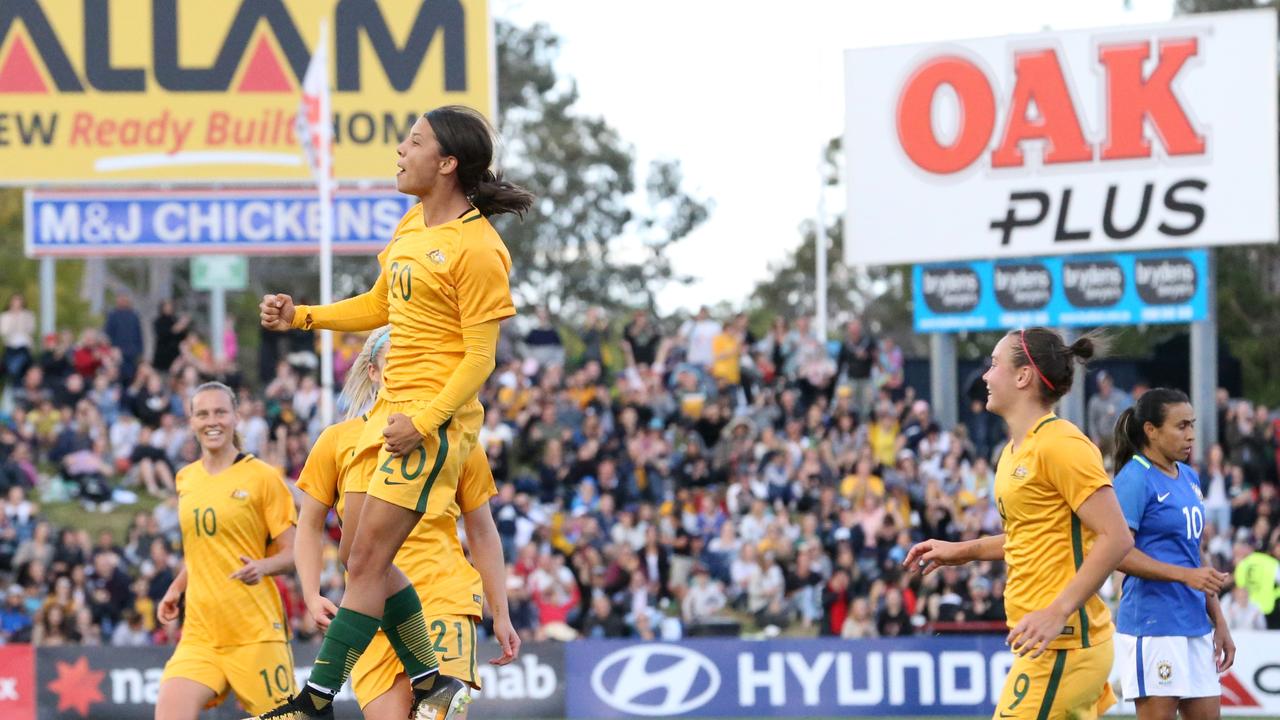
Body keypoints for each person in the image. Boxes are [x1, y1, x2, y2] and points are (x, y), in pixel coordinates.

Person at [253, 105, 531, 720]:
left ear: (448, 163)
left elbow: (481, 359)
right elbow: (379, 304)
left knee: (367, 562)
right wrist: (304, 317)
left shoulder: (479, 247)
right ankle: (433, 680)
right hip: (399, 419)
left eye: (413, 142)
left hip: (434, 426)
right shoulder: (411, 225)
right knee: (360, 557)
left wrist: (427, 420)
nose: (399, 152)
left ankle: (314, 699)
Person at [905, 328, 1134, 720]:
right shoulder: (1013, 451)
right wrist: (964, 551)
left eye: (994, 364)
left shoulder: (1061, 443)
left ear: (1023, 376)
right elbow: (1032, 533)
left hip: (1065, 646)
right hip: (1047, 644)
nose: (985, 377)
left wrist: (1057, 611)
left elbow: (1117, 538)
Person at [293, 328, 520, 720]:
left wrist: (500, 611)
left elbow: (482, 530)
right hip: (369, 615)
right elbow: (310, 525)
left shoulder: (456, 438)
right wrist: (311, 594)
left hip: (444, 598)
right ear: (374, 372)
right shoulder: (336, 441)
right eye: (396, 365)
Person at [154, 382, 298, 720]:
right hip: (201, 634)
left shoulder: (263, 477)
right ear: (191, 422)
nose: (212, 420)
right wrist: (175, 589)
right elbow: (203, 551)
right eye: (202, 414)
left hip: (255, 633)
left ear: (235, 417)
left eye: (220, 411)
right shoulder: (185, 479)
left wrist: (263, 567)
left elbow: (294, 554)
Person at [1109, 388, 1234, 718]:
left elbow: (1193, 554)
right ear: (1151, 430)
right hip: (1153, 624)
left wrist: (1219, 621)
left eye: (1191, 424)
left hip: (1194, 623)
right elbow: (1118, 554)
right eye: (1181, 426)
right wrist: (1185, 575)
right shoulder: (1134, 478)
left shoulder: (1189, 476)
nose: (1191, 435)